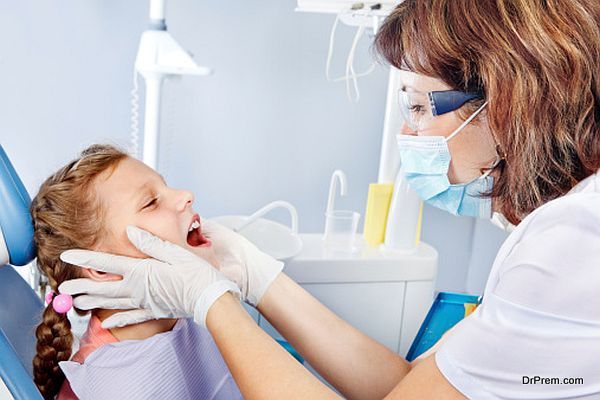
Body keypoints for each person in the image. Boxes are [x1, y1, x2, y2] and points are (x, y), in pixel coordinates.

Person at [59, 0, 600, 398]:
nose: (407, 134)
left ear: (503, 98)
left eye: (416, 105)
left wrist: (213, 301)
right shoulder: (113, 379)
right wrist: (255, 277)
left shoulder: (573, 243)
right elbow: (410, 388)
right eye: (150, 203)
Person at [30, 144, 243, 400]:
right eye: (151, 202)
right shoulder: (108, 387)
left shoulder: (187, 313)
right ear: (100, 268)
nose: (186, 195)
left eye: (166, 185)